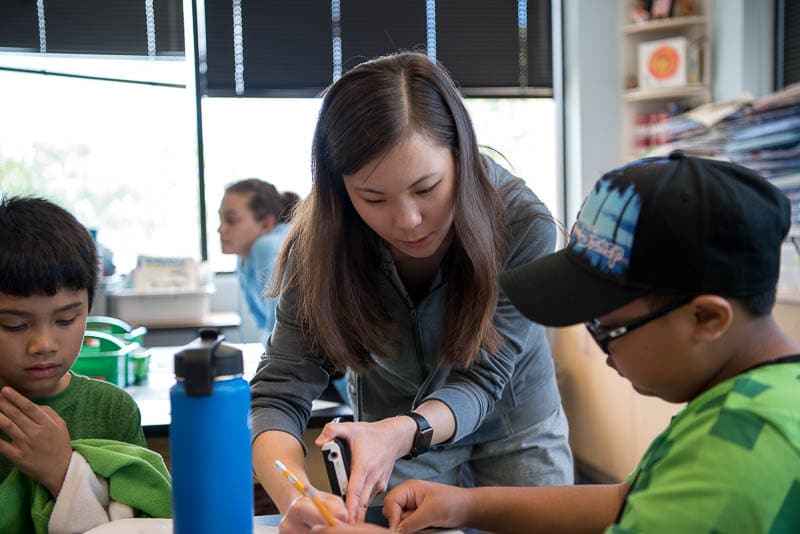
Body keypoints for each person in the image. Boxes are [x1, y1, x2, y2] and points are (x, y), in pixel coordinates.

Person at [310, 151, 800, 533]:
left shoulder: (741, 449)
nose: (604, 355)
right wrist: (464, 503)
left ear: (707, 318)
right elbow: (627, 500)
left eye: (607, 330)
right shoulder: (758, 399)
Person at [250, 50, 573, 529]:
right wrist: (294, 493)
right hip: (386, 430)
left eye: (426, 189)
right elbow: (279, 390)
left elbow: (481, 381)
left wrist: (408, 431)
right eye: (373, 198)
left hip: (513, 421)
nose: (407, 221)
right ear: (340, 189)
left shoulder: (521, 225)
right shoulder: (319, 244)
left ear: (460, 154)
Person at [0, 196, 171, 533]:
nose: (43, 345)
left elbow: (143, 521)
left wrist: (62, 471)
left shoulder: (112, 410)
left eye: (66, 319)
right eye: (15, 326)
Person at [218, 178, 299, 337]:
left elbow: (281, 329)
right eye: (220, 219)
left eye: (231, 220)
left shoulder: (267, 247)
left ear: (266, 224)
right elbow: (266, 326)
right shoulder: (244, 257)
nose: (220, 229)